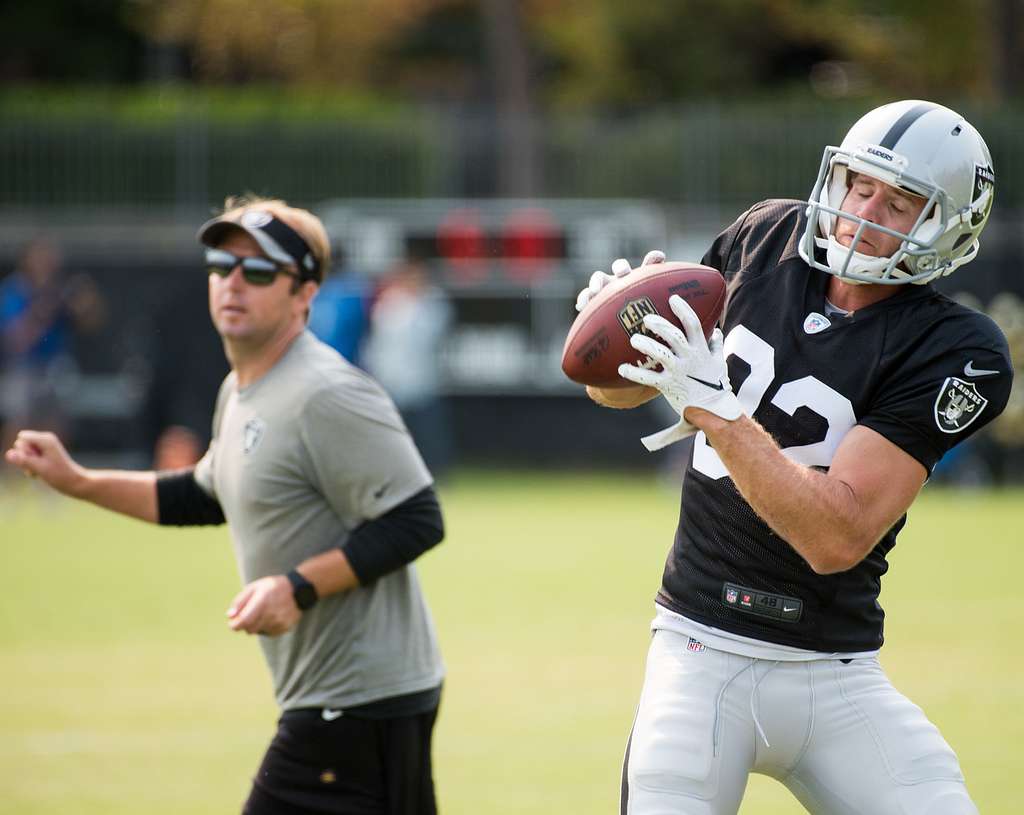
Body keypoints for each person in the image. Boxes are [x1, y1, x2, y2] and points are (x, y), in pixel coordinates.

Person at [577, 100, 1012, 814]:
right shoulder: (764, 236)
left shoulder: (955, 348)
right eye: (859, 185)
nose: (864, 211)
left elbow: (834, 535)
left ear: (946, 226)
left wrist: (714, 404)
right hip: (698, 651)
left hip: (835, 670)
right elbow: (616, 393)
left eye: (900, 203)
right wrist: (625, 345)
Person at [5, 196, 447, 815]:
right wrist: (77, 480)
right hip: (346, 697)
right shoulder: (241, 389)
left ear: (304, 294)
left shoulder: (326, 391)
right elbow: (204, 492)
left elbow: (416, 519)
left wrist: (296, 587)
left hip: (357, 700)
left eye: (259, 270)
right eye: (222, 264)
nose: (233, 282)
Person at [0, 237, 104, 454]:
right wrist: (42, 310)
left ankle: (54, 474)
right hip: (24, 368)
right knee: (18, 423)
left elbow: (92, 323)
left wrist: (85, 305)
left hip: (56, 367)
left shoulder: (63, 289)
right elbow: (16, 339)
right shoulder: (13, 291)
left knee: (58, 425)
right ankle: (10, 473)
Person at [363, 254, 454, 478]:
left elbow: (429, 335)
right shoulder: (390, 303)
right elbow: (381, 342)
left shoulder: (432, 304)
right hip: (391, 380)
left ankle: (436, 473)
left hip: (421, 381)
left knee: (428, 433)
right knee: (391, 434)